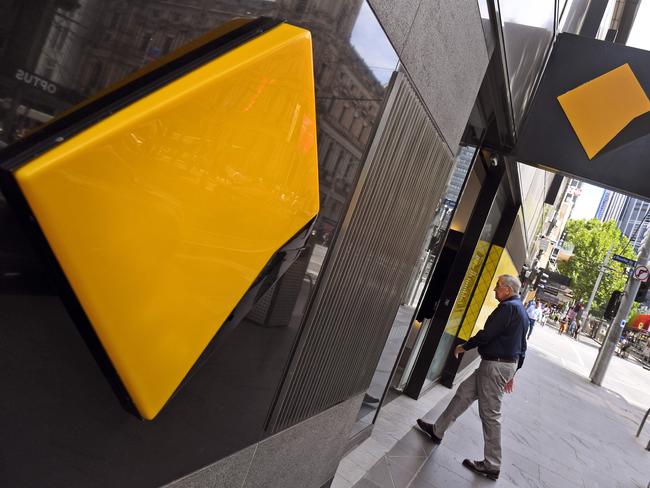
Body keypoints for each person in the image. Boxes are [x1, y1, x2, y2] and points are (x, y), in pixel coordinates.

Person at [415, 274, 528, 481]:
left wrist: (464, 345)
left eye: (498, 287)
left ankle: (492, 464)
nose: (495, 289)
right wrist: (514, 371)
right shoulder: (521, 310)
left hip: (495, 366)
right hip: (500, 365)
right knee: (463, 394)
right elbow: (522, 346)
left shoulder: (508, 308)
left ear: (508, 290)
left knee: (491, 415)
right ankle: (438, 430)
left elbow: (487, 334)